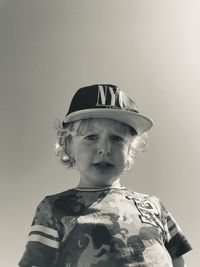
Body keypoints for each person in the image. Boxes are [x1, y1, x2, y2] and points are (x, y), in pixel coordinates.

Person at [19, 84, 192, 267]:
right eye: (91, 137)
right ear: (68, 145)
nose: (104, 149)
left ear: (130, 150)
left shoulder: (154, 206)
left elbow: (178, 259)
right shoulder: (54, 208)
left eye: (117, 138)